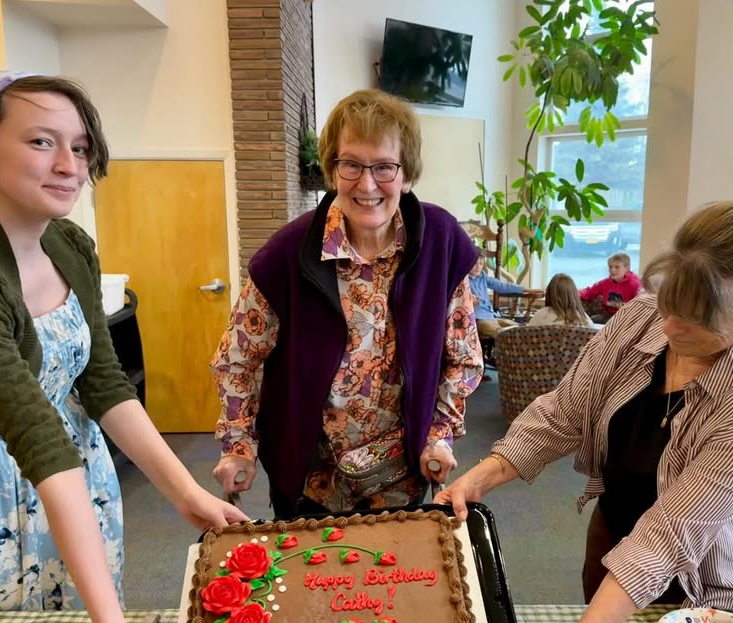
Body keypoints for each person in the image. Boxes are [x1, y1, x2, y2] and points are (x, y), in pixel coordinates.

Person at [0, 71, 247, 623]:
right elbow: (34, 434)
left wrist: (188, 494)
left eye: (81, 144)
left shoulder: (70, 244)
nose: (70, 164)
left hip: (75, 481)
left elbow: (102, 384)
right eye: (42, 142)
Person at [437, 182, 733, 623]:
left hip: (717, 583)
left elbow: (668, 535)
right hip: (615, 536)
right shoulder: (638, 317)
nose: (670, 327)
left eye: (695, 323)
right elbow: (564, 413)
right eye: (670, 303)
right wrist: (478, 478)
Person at [211, 88, 483, 519]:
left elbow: (463, 358)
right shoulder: (287, 254)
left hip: (402, 477)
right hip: (311, 481)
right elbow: (235, 361)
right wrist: (240, 445)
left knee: (396, 581)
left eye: (384, 167)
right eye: (352, 164)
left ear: (407, 175)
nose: (367, 183)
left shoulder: (440, 244)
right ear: (333, 170)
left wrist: (440, 434)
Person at [468, 254, 524, 338]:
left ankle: (519, 348)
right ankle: (508, 349)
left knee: (518, 328)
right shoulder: (463, 279)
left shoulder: (483, 276)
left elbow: (502, 285)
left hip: (491, 316)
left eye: (481, 264)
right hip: (478, 319)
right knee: (500, 333)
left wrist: (524, 289)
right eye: (475, 264)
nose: (478, 267)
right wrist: (469, 297)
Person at [579, 251, 642, 323]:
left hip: (627, 318)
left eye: (617, 267)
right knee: (592, 320)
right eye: (610, 267)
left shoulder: (635, 284)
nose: (612, 270)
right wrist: (577, 293)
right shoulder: (605, 283)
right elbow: (590, 292)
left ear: (627, 268)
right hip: (609, 315)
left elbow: (640, 305)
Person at [529, 273, 598, 328]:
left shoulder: (541, 315)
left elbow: (526, 336)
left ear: (549, 293)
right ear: (574, 295)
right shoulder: (583, 319)